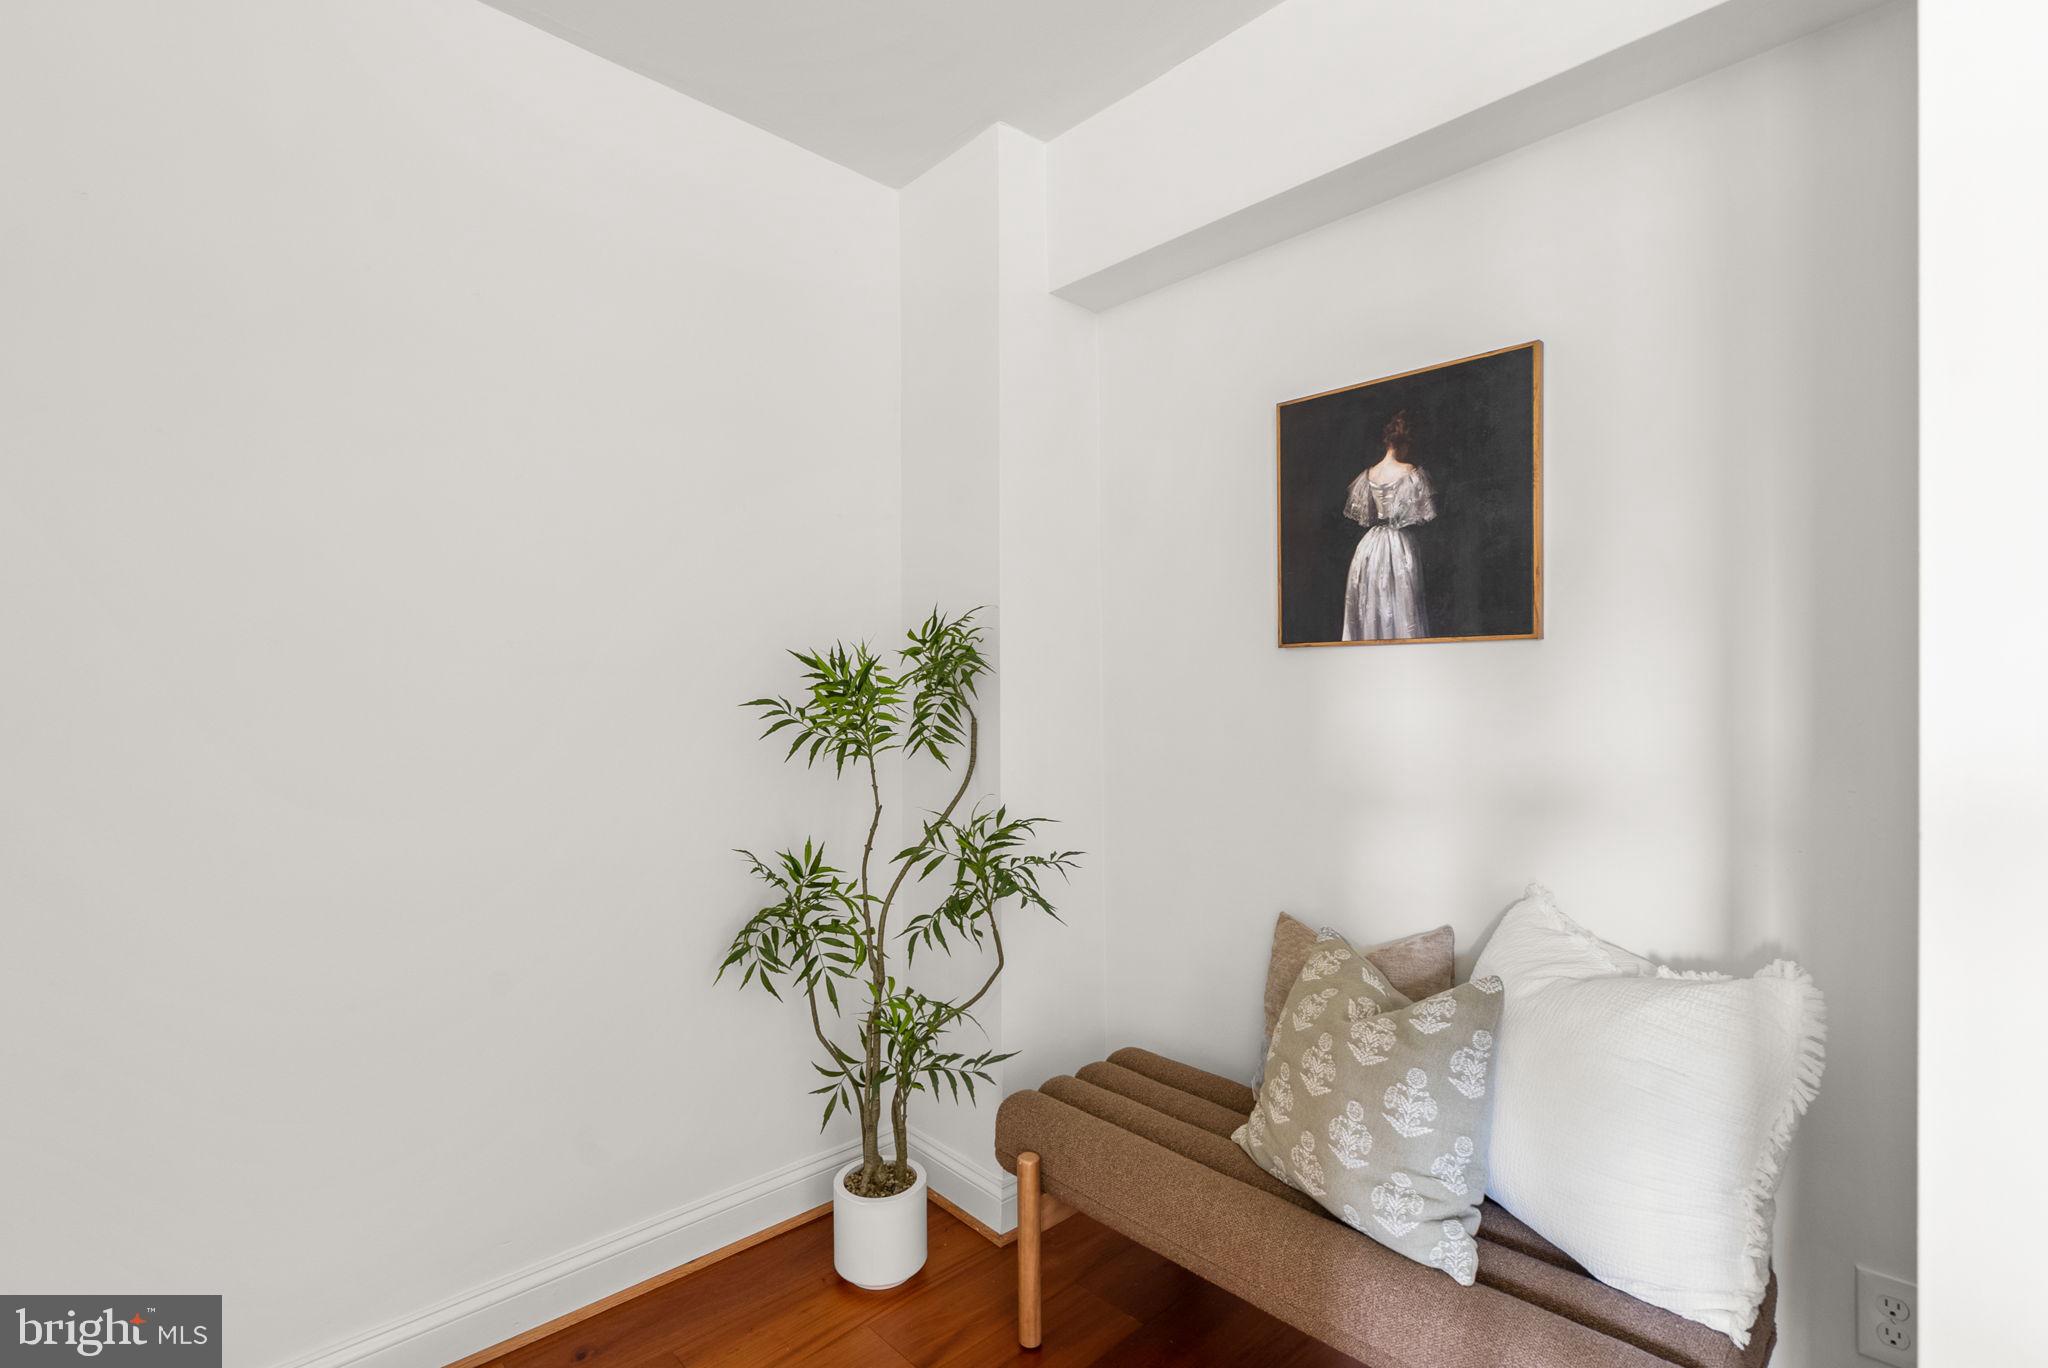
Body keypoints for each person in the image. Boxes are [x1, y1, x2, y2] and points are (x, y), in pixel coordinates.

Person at [1341, 411, 1438, 641]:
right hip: (1398, 544)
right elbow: (1422, 514)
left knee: (1373, 601)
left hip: (1369, 547)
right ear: (1404, 445)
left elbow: (1367, 515)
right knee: (1400, 602)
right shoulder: (1409, 472)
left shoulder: (1369, 474)